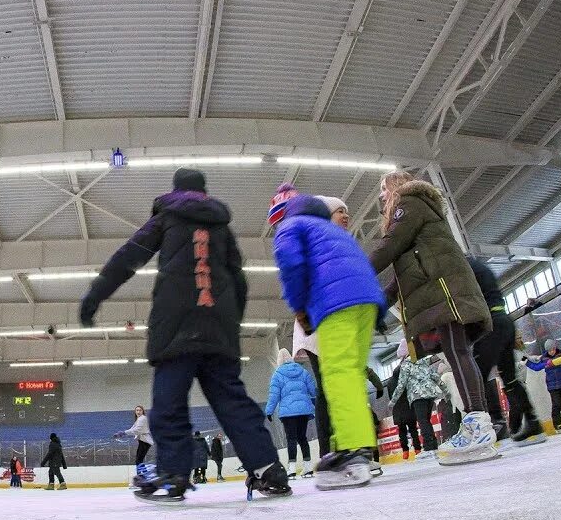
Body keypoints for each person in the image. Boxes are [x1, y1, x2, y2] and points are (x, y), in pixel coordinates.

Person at [81, 168, 291, 502]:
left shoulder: (167, 218)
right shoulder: (222, 227)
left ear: (176, 190)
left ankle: (174, 476)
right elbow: (239, 281)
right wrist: (228, 324)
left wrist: (95, 295)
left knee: (168, 403)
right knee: (233, 401)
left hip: (175, 323)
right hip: (218, 330)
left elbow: (128, 256)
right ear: (204, 192)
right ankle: (269, 469)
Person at [368, 172, 496, 466]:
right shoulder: (418, 210)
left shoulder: (410, 203)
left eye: (383, 189)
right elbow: (401, 278)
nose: (382, 196)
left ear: (396, 187)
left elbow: (389, 246)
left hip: (445, 290)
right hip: (444, 289)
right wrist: (379, 303)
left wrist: (355, 277)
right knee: (458, 351)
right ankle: (479, 422)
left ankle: (477, 423)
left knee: (457, 351)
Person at [272, 190, 387, 488]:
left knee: (337, 376)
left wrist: (299, 306)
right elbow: (362, 266)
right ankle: (357, 445)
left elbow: (291, 265)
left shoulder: (292, 226)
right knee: (351, 376)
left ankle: (352, 450)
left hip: (336, 304)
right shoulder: (333, 232)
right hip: (368, 303)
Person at [469, 257, 547, 445]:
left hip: (490, 325)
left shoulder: (465, 268)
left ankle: (494, 425)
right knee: (510, 379)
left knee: (476, 378)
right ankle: (533, 423)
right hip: (504, 321)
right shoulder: (480, 266)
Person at [264, 348, 317, 479]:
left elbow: (274, 395)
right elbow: (313, 390)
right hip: (304, 411)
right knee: (302, 438)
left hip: (288, 413)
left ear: (279, 361)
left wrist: (269, 411)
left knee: (291, 439)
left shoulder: (278, 374)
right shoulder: (303, 371)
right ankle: (308, 467)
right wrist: (316, 404)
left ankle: (292, 468)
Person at [389, 341, 443, 457]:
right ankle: (433, 446)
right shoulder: (423, 362)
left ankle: (429, 448)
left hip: (418, 396)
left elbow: (401, 385)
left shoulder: (405, 366)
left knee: (423, 421)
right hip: (430, 394)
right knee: (426, 421)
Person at [525, 341, 561, 432]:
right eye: (549, 350)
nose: (552, 352)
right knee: (556, 405)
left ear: (555, 348)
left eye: (553, 349)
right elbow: (536, 367)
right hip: (552, 386)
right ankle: (557, 424)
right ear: (547, 350)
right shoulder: (544, 358)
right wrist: (525, 362)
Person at [386, 361, 419, 460]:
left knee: (402, 432)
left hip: (397, 412)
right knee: (413, 431)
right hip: (408, 409)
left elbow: (390, 397)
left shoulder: (389, 383)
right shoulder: (405, 380)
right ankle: (417, 449)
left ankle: (405, 452)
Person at [120, 405, 154, 479]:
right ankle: (144, 477)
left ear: (142, 411)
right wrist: (123, 433)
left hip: (145, 441)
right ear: (135, 412)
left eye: (140, 410)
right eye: (137, 410)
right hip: (143, 441)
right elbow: (132, 429)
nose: (138, 412)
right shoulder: (139, 419)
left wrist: (124, 432)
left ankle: (141, 477)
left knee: (138, 460)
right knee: (139, 460)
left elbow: (137, 430)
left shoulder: (142, 419)